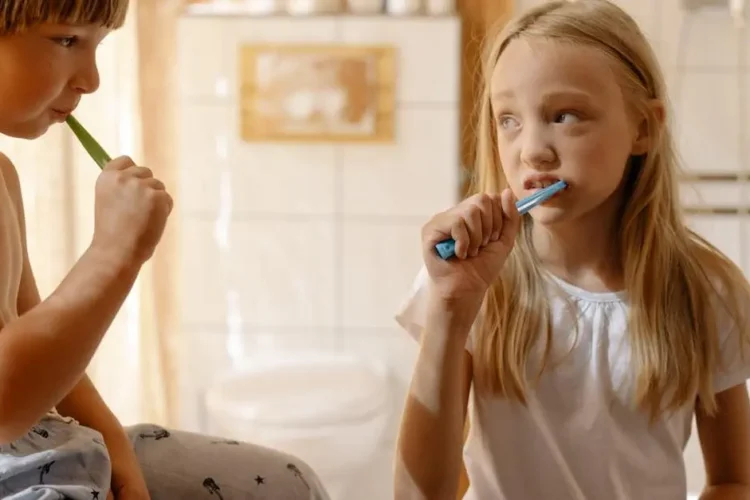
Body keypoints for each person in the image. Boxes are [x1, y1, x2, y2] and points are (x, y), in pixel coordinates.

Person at [394, 1, 750, 499]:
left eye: (564, 116)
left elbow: (733, 480)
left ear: (644, 128)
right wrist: (451, 310)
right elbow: (418, 495)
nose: (532, 149)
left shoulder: (707, 290)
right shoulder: (466, 279)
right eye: (508, 120)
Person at [0, 1, 330, 499]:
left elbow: (42, 350)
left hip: (43, 440)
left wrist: (114, 445)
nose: (90, 79)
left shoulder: (3, 176)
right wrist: (113, 256)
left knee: (288, 484)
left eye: (97, 45)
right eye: (67, 40)